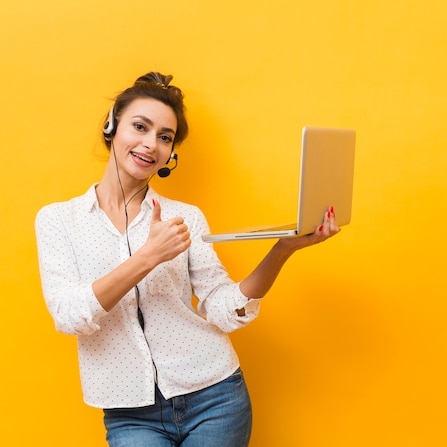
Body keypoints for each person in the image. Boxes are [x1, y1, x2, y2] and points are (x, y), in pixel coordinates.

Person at [35, 72, 340, 447]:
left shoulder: (186, 217)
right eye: (140, 127)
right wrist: (148, 256)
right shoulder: (57, 220)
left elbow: (223, 308)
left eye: (165, 137)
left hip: (215, 396)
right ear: (112, 125)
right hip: (130, 413)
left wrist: (282, 250)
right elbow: (69, 316)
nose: (151, 144)